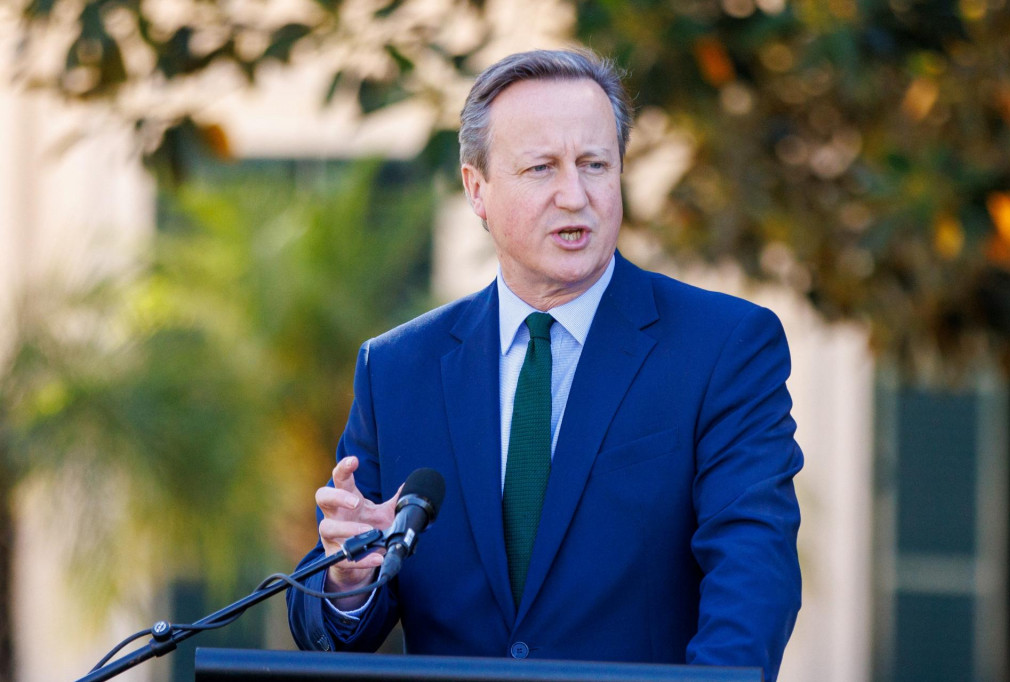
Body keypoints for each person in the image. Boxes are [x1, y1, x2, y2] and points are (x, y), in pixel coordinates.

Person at [287, 48, 802, 681]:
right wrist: (346, 579)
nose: (574, 196)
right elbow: (332, 633)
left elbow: (754, 580)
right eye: (541, 168)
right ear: (477, 188)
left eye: (594, 165)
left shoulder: (723, 348)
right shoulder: (397, 371)